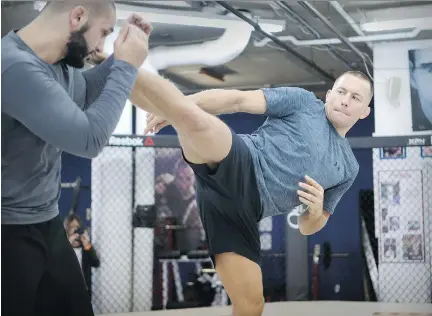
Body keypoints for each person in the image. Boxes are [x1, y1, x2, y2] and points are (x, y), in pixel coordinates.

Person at [128, 67, 373, 315]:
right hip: (241, 162)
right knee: (191, 119)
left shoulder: (348, 168)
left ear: (365, 112)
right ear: (329, 94)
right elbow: (238, 100)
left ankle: (169, 103)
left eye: (355, 97)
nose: (345, 100)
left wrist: (316, 210)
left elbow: (307, 226)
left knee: (251, 307)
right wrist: (182, 105)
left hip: (240, 213)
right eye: (341, 91)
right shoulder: (304, 102)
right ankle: (124, 69)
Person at [1, 1, 151, 315]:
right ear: (78, 16)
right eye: (104, 33)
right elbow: (88, 140)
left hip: (43, 219)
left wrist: (120, 55)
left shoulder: (61, 65)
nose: (101, 45)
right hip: (7, 230)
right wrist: (126, 66)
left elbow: (84, 94)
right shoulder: (13, 66)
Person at [64, 214, 101, 300]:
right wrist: (68, 244)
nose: (75, 230)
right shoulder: (62, 247)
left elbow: (96, 263)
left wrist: (87, 245)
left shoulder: (85, 249)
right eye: (71, 227)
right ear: (67, 230)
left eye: (77, 227)